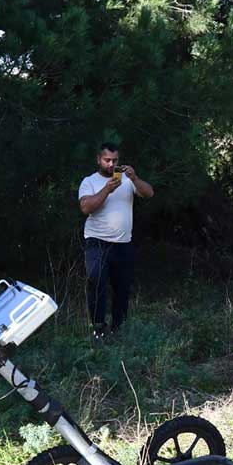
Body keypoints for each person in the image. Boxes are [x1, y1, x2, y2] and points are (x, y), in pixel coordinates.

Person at [77, 141, 154, 339]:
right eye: (107, 160)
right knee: (97, 284)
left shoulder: (127, 181)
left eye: (115, 161)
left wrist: (135, 178)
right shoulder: (89, 181)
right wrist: (107, 190)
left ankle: (119, 328)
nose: (111, 165)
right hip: (97, 242)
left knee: (122, 288)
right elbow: (86, 207)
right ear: (98, 159)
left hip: (123, 244)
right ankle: (98, 329)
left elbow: (149, 193)